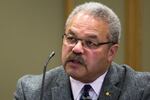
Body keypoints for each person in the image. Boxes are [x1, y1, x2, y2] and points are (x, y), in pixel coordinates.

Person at [14, 2, 150, 100]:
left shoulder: (141, 90)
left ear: (111, 52)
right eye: (71, 38)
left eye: (90, 43)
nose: (77, 48)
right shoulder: (32, 92)